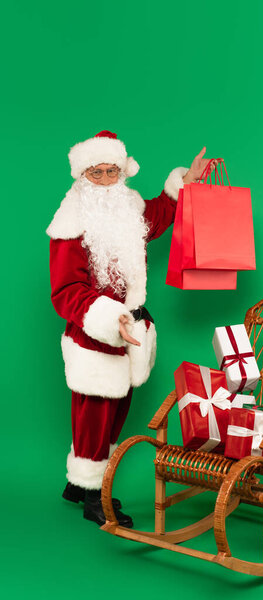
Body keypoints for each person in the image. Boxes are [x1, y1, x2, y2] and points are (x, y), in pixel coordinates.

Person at [47, 130, 215, 526]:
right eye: (97, 174)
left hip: (128, 331)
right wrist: (111, 319)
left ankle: (78, 483)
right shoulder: (69, 225)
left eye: (112, 172)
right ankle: (92, 494)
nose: (106, 180)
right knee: (95, 413)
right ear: (82, 176)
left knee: (117, 409)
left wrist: (183, 184)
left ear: (123, 171)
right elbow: (66, 291)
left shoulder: (127, 208)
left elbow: (155, 217)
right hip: (95, 334)